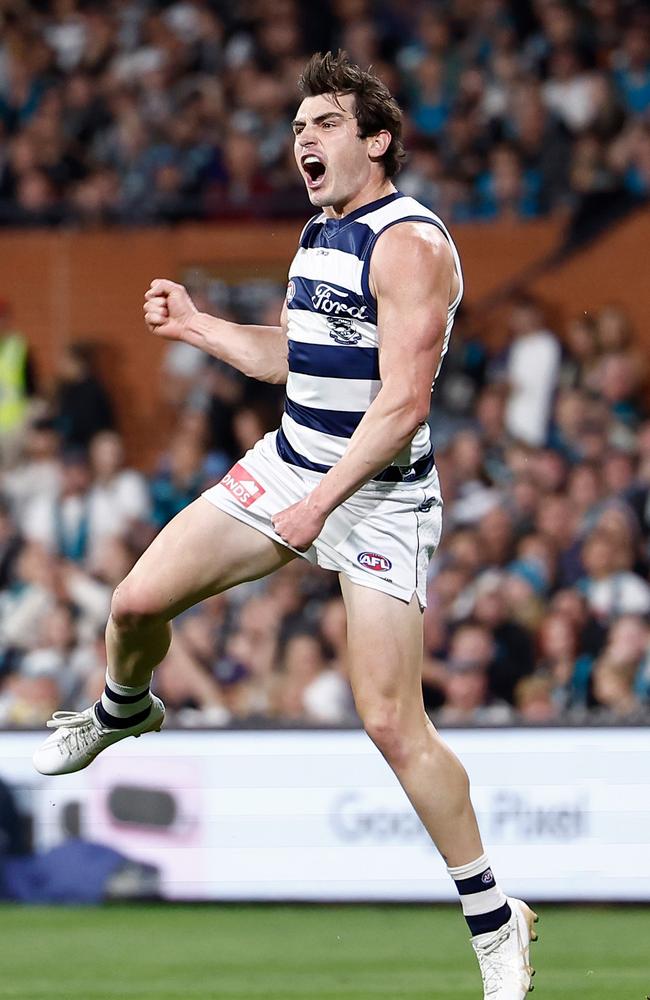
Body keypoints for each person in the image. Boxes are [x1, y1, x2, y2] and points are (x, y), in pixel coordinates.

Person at [33, 52, 537, 998]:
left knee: (391, 723)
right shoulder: (320, 232)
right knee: (135, 604)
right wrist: (199, 328)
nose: (303, 137)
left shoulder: (408, 245)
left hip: (379, 494)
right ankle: (125, 710)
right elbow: (294, 357)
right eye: (298, 124)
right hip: (289, 464)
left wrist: (319, 504)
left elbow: (402, 407)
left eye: (327, 123)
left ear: (377, 140)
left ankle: (495, 918)